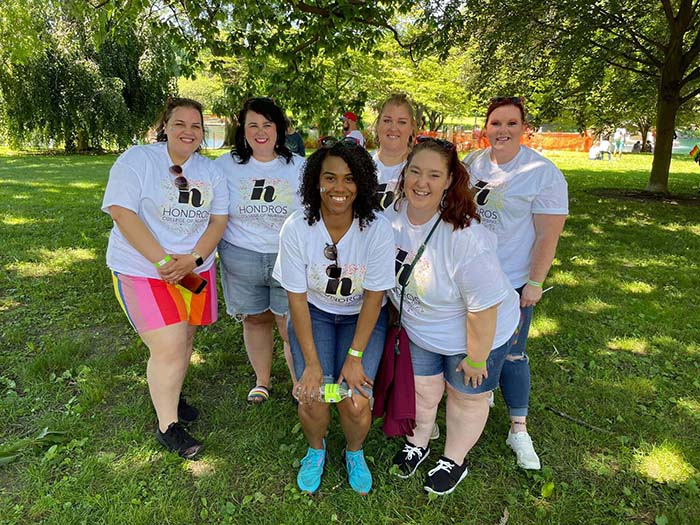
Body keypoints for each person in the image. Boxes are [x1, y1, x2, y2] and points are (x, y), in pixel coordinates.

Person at [386, 138, 520, 496]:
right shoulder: (391, 216)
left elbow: (483, 309)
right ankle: (418, 442)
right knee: (423, 389)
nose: (421, 182)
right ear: (404, 173)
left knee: (466, 396)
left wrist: (477, 359)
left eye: (433, 174)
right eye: (414, 171)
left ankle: (454, 459)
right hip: (422, 328)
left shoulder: (464, 237)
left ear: (449, 180)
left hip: (475, 333)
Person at [102, 97, 228, 458]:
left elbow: (219, 220)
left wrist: (193, 259)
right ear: (165, 126)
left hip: (194, 269)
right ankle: (167, 427)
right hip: (143, 269)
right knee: (169, 344)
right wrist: (163, 262)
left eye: (195, 126)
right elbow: (122, 213)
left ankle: (171, 392)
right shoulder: (138, 160)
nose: (188, 132)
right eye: (180, 124)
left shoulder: (211, 170)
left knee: (185, 338)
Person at [274, 138, 394, 494]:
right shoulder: (297, 227)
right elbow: (295, 300)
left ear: (361, 183)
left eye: (348, 178)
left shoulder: (377, 229)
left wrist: (355, 357)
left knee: (354, 400)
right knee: (313, 395)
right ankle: (316, 449)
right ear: (316, 182)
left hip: (362, 317)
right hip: (316, 313)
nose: (338, 188)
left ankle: (354, 452)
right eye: (329, 178)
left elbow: (375, 298)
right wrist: (310, 363)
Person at [464, 96, 568, 470]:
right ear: (486, 127)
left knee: (512, 353)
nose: (502, 130)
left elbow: (547, 237)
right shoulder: (473, 163)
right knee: (472, 347)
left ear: (524, 128)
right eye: (495, 123)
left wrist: (534, 282)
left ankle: (518, 428)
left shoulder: (543, 172)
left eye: (511, 123)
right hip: (469, 278)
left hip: (511, 282)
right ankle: (475, 403)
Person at [216, 97, 304, 404]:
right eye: (253, 124)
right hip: (241, 257)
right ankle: (262, 381)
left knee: (289, 323)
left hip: (288, 260)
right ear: (243, 129)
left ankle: (299, 384)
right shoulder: (224, 166)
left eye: (267, 124)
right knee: (254, 319)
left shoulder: (299, 167)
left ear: (280, 129)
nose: (260, 131)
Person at [372, 94, 417, 210]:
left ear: (412, 128)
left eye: (401, 122)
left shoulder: (421, 167)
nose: (393, 128)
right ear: (378, 124)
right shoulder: (360, 163)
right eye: (387, 120)